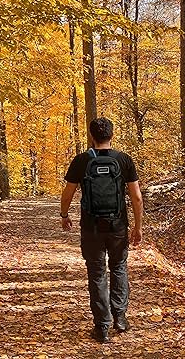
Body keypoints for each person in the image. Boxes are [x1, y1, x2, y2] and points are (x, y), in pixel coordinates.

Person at [60, 117, 143, 343]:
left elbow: (67, 194)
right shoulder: (124, 160)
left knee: (96, 274)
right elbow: (136, 197)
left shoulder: (81, 160)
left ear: (92, 136)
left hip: (91, 228)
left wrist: (64, 215)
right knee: (118, 267)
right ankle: (120, 317)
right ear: (112, 135)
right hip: (118, 226)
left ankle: (102, 327)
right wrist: (137, 227)